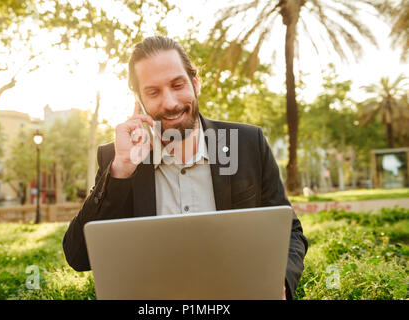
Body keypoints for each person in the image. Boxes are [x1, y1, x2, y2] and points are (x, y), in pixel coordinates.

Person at [63, 36, 308, 300]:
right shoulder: (119, 158)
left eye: (177, 85)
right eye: (153, 92)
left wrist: (279, 283)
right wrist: (121, 169)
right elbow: (79, 256)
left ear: (195, 82)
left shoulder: (246, 144)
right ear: (139, 100)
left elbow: (290, 233)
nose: (170, 103)